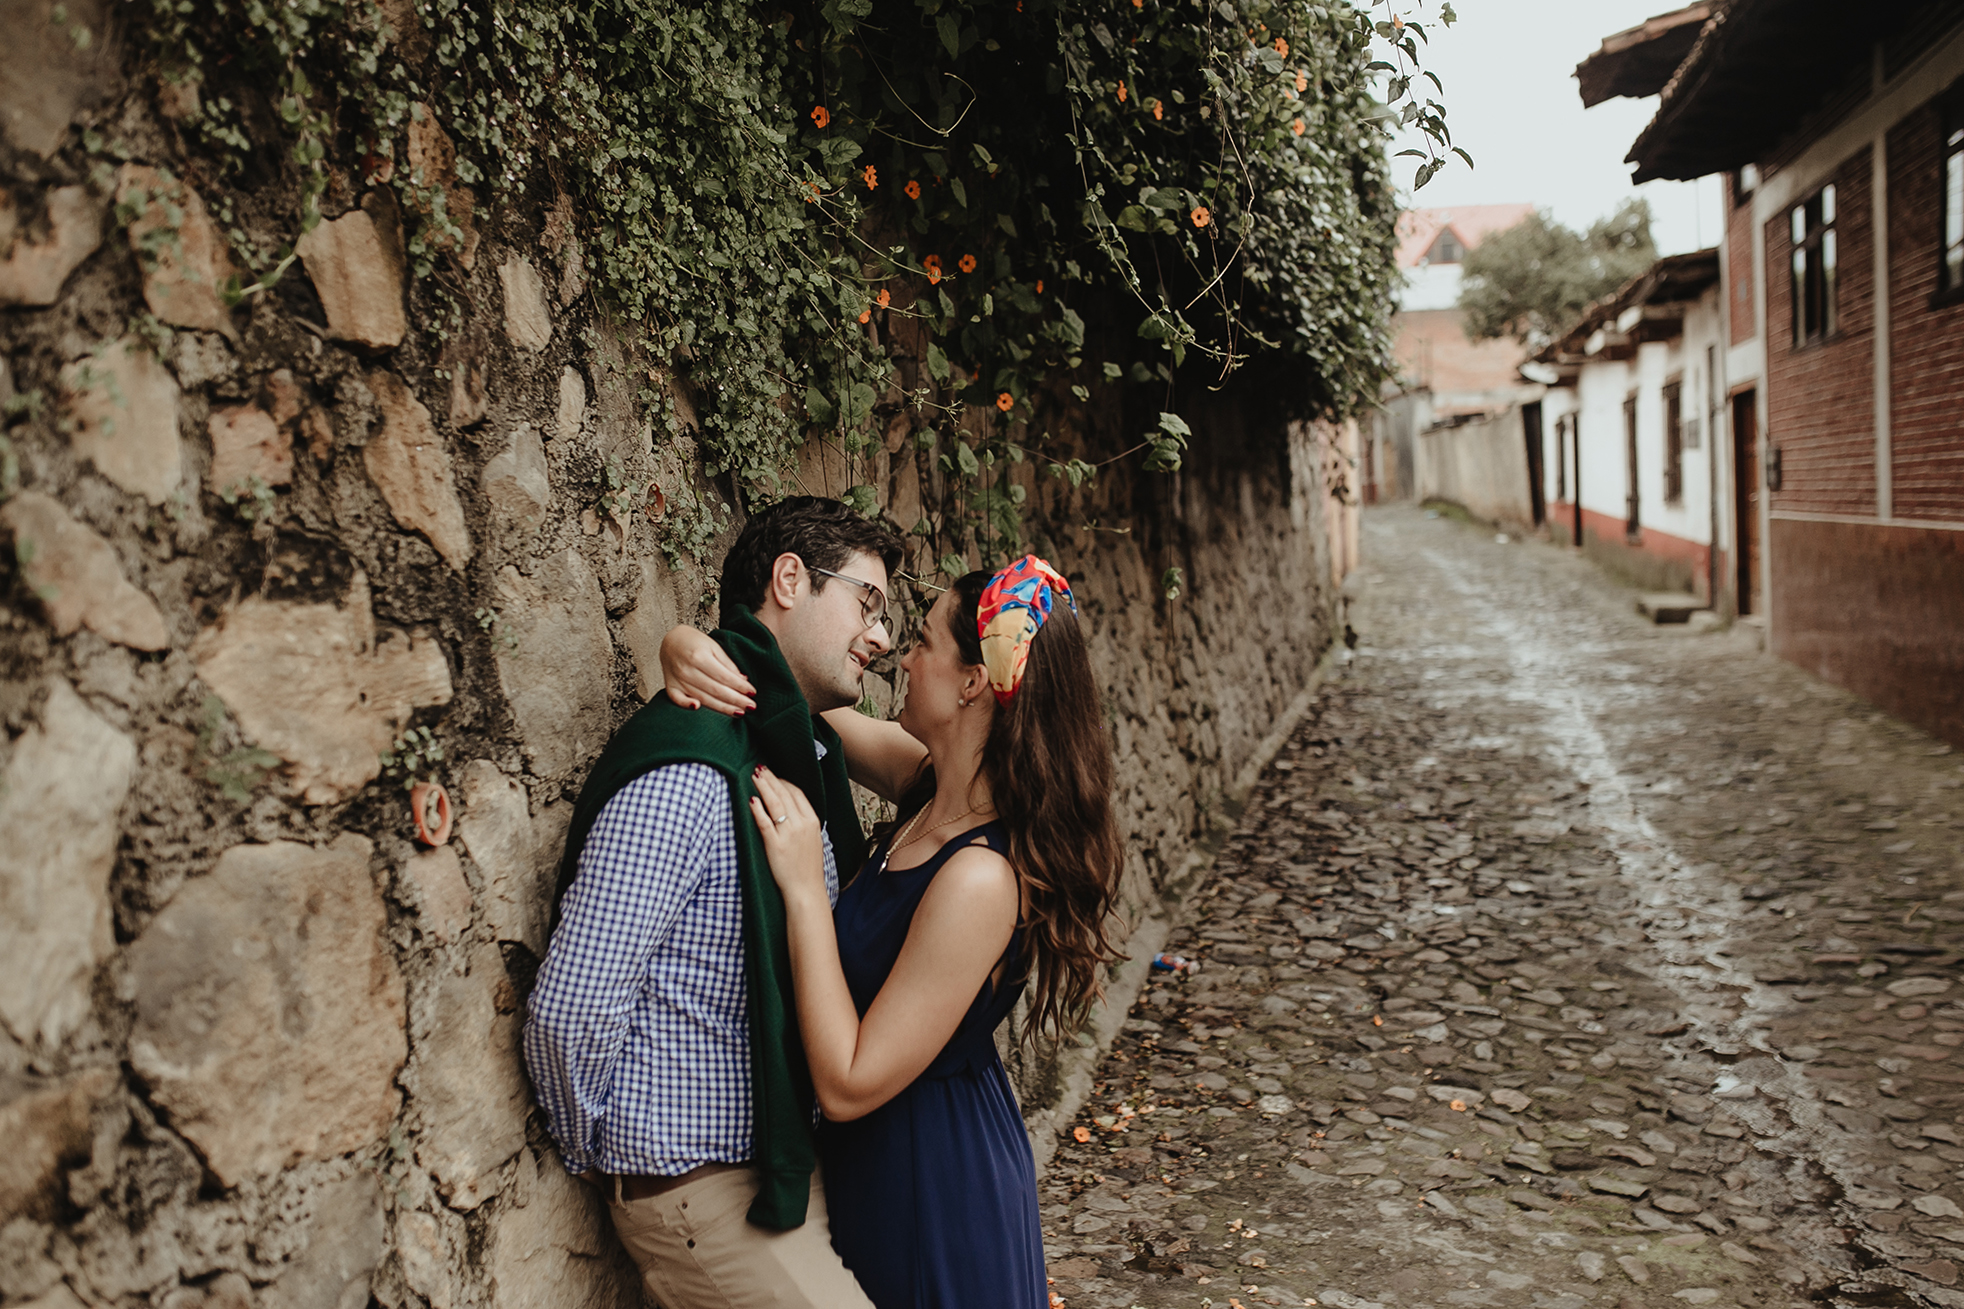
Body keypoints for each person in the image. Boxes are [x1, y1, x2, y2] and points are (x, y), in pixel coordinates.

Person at [659, 554, 1125, 1309]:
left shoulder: (979, 879)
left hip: (932, 1189)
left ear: (975, 681)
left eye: (927, 641)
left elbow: (847, 1082)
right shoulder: (930, 783)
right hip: (880, 1170)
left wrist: (806, 889)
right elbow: (788, 690)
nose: (902, 654)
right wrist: (684, 644)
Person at [523, 496, 904, 1309]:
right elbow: (571, 1005)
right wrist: (613, 1155)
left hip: (780, 1173)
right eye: (867, 604)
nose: (883, 637)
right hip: (703, 1190)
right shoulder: (693, 772)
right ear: (790, 579)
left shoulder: (800, 750)